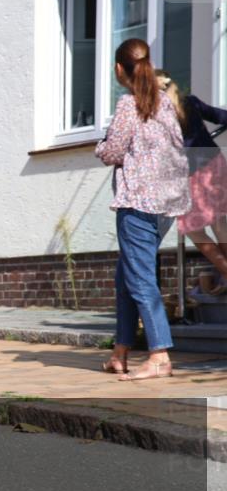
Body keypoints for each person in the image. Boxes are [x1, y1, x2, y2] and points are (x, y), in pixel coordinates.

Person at [95, 39, 190, 381]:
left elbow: (113, 151)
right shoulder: (165, 103)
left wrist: (100, 146)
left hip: (137, 204)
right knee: (127, 276)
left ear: (119, 69)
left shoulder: (127, 104)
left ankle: (159, 354)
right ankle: (120, 352)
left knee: (140, 279)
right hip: (165, 204)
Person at [155, 70, 227, 295]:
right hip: (213, 163)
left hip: (186, 175)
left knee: (196, 231)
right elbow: (222, 117)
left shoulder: (157, 115)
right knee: (220, 223)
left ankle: (225, 272)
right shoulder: (191, 102)